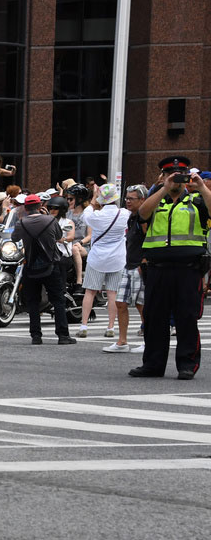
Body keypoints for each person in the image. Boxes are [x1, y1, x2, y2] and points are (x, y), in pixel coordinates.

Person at [131, 156, 211, 379]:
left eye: (180, 175)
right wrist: (162, 188)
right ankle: (153, 365)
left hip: (189, 269)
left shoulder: (197, 200)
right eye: (170, 175)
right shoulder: (158, 200)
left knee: (186, 318)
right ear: (163, 176)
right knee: (155, 318)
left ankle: (187, 365)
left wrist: (202, 187)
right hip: (158, 269)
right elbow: (143, 214)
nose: (175, 179)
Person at [12, 194, 75, 345]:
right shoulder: (51, 220)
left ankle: (36, 336)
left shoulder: (22, 223)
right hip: (51, 265)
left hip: (30, 266)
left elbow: (14, 238)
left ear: (26, 208)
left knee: (33, 302)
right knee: (58, 300)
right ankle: (63, 335)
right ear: (41, 206)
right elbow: (59, 237)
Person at [76, 184, 125, 339]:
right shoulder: (124, 214)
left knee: (90, 291)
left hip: (97, 258)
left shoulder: (95, 215)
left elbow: (85, 215)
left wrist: (93, 200)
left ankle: (84, 325)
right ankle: (110, 327)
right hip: (117, 258)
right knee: (112, 293)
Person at [105, 185, 148, 354]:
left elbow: (149, 240)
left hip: (140, 267)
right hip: (128, 265)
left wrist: (143, 263)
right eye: (127, 198)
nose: (128, 201)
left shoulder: (144, 218)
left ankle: (148, 340)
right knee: (120, 303)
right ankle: (122, 341)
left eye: (132, 198)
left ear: (142, 200)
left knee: (142, 305)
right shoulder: (132, 218)